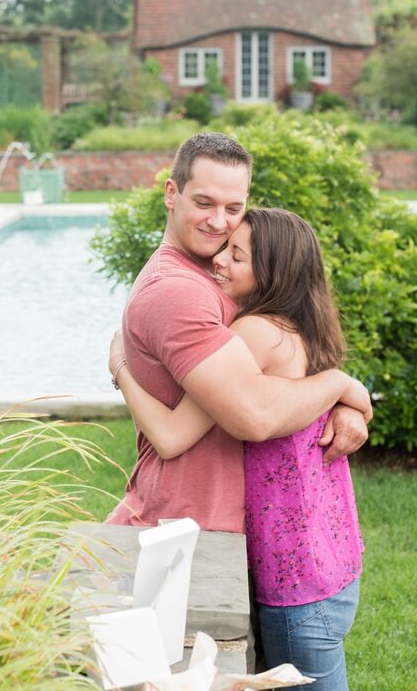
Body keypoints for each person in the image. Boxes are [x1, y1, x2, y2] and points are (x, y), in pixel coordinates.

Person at [110, 207, 365, 691]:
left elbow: (170, 436)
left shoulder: (253, 334)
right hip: (330, 561)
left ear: (272, 272)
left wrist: (121, 366)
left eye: (237, 255)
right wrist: (349, 396)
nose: (218, 261)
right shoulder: (304, 328)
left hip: (294, 581)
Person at [104, 131, 370, 535]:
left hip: (230, 527)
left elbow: (283, 371)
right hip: (186, 528)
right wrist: (337, 385)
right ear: (171, 193)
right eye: (203, 203)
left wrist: (342, 402)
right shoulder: (177, 291)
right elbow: (255, 415)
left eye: (233, 208)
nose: (218, 222)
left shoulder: (227, 278)